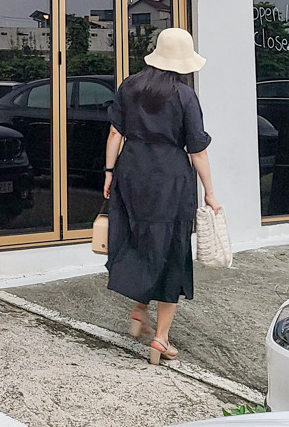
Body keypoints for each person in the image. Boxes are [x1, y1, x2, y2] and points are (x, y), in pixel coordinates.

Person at [103, 27, 220, 365]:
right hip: (171, 178)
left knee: (139, 239)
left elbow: (114, 133)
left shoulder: (129, 86)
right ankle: (161, 338)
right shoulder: (185, 96)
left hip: (131, 170)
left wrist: (109, 173)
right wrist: (210, 193)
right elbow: (197, 150)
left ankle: (139, 309)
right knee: (171, 249)